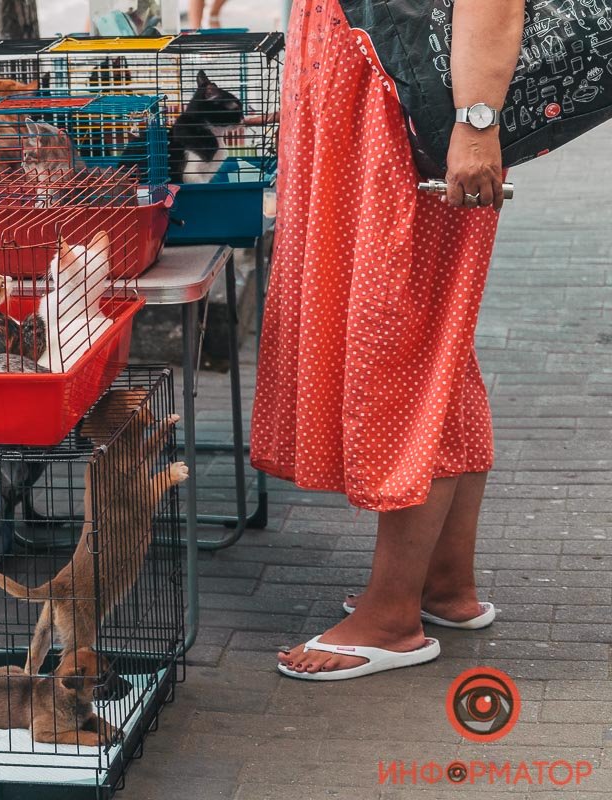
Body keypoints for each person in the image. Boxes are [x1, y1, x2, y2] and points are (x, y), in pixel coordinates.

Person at [251, 0, 523, 679]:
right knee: (438, 353)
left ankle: (391, 616)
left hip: (408, 124)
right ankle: (443, 585)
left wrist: (477, 121)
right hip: (373, 116)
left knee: (406, 345)